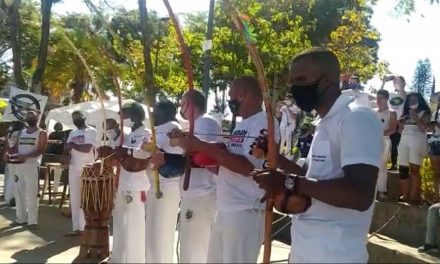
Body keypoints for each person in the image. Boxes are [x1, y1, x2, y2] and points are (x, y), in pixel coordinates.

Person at [253, 47, 382, 263]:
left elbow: (360, 194)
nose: (295, 88)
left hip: (336, 254)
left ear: (328, 80)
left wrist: (288, 182)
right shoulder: (324, 123)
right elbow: (314, 178)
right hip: (307, 248)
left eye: (302, 79)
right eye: (293, 81)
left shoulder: (356, 118)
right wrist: (276, 157)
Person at [174, 77, 280, 263]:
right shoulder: (242, 125)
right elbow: (228, 164)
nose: (229, 101)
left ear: (242, 94)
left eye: (230, 96)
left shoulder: (264, 123)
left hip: (246, 211)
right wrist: (199, 155)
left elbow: (248, 168)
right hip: (225, 209)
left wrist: (201, 145)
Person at [176, 89, 222, 263]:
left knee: (195, 250)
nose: (182, 108)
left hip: (202, 194)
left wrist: (183, 150)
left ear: (189, 104)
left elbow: (205, 157)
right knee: (189, 248)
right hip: (193, 194)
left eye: (183, 104)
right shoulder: (196, 124)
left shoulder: (206, 122)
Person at [110, 102, 151, 263]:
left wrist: (125, 151)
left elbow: (144, 155)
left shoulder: (145, 133)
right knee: (120, 224)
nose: (121, 118)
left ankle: (135, 260)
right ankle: (119, 258)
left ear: (134, 116)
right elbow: (118, 157)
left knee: (135, 227)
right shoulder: (127, 135)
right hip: (123, 184)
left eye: (123, 114)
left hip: (137, 186)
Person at [145, 101, 185, 263]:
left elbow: (175, 159)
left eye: (155, 112)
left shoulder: (173, 129)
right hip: (153, 186)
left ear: (164, 113)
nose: (152, 115)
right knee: (152, 232)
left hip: (166, 186)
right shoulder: (158, 129)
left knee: (161, 233)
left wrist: (155, 150)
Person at [11, 111, 48, 229]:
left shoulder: (41, 133)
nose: (30, 118)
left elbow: (40, 150)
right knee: (19, 193)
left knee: (32, 194)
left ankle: (32, 221)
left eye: (33, 116)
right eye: (28, 116)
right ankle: (21, 218)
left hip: (32, 167)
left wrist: (25, 156)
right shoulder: (21, 132)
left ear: (38, 118)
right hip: (19, 166)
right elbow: (15, 147)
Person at [65, 111, 97, 236]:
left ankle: (86, 227)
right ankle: (76, 228)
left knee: (86, 198)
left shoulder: (92, 131)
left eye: (78, 117)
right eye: (74, 118)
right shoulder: (72, 133)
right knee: (74, 197)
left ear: (84, 118)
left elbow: (87, 148)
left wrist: (72, 144)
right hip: (73, 167)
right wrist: (65, 155)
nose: (76, 120)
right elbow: (67, 148)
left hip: (87, 168)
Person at [397, 92, 431, 204]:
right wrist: (400, 124)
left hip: (417, 139)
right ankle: (405, 195)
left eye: (414, 99)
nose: (412, 102)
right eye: (410, 100)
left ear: (419, 100)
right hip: (404, 140)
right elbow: (400, 131)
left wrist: (416, 117)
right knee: (403, 169)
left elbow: (423, 128)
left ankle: (414, 197)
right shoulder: (405, 113)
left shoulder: (425, 112)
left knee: (414, 170)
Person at [375, 90, 397, 200]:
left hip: (384, 141)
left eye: (380, 98)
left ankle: (382, 191)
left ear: (387, 99)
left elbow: (393, 129)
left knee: (382, 166)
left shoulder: (391, 113)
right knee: (371, 165)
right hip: (371, 142)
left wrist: (380, 134)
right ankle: (371, 191)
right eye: (377, 98)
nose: (378, 101)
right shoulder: (372, 112)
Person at [384, 75, 407, 170]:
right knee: (393, 144)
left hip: (402, 122)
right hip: (392, 122)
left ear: (403, 83)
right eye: (394, 82)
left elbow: (405, 98)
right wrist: (384, 82)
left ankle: (404, 165)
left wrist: (400, 85)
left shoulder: (407, 94)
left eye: (397, 82)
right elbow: (380, 95)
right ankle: (394, 164)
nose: (395, 84)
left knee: (402, 145)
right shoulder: (390, 94)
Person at [4, 121, 25, 206]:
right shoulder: (20, 133)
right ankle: (16, 197)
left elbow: (7, 146)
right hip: (17, 157)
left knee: (11, 178)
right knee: (18, 178)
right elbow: (18, 145)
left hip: (10, 157)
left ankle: (8, 197)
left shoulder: (9, 134)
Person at [276, 93, 300, 159]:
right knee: (281, 141)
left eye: (287, 99)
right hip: (283, 126)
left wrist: (288, 108)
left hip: (290, 127)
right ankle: (279, 155)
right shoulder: (283, 107)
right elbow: (278, 115)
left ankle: (288, 158)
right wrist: (278, 107)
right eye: (285, 99)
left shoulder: (295, 108)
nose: (286, 100)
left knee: (289, 142)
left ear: (291, 100)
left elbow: (294, 117)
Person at [46, 122, 65, 194]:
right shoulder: (54, 134)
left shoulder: (54, 134)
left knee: (56, 173)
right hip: (54, 156)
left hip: (53, 156)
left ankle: (54, 188)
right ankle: (54, 188)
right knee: (56, 173)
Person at [428, 97, 440, 201]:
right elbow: (431, 129)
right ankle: (436, 196)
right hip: (434, 142)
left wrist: (437, 124)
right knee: (436, 172)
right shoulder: (435, 113)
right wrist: (431, 126)